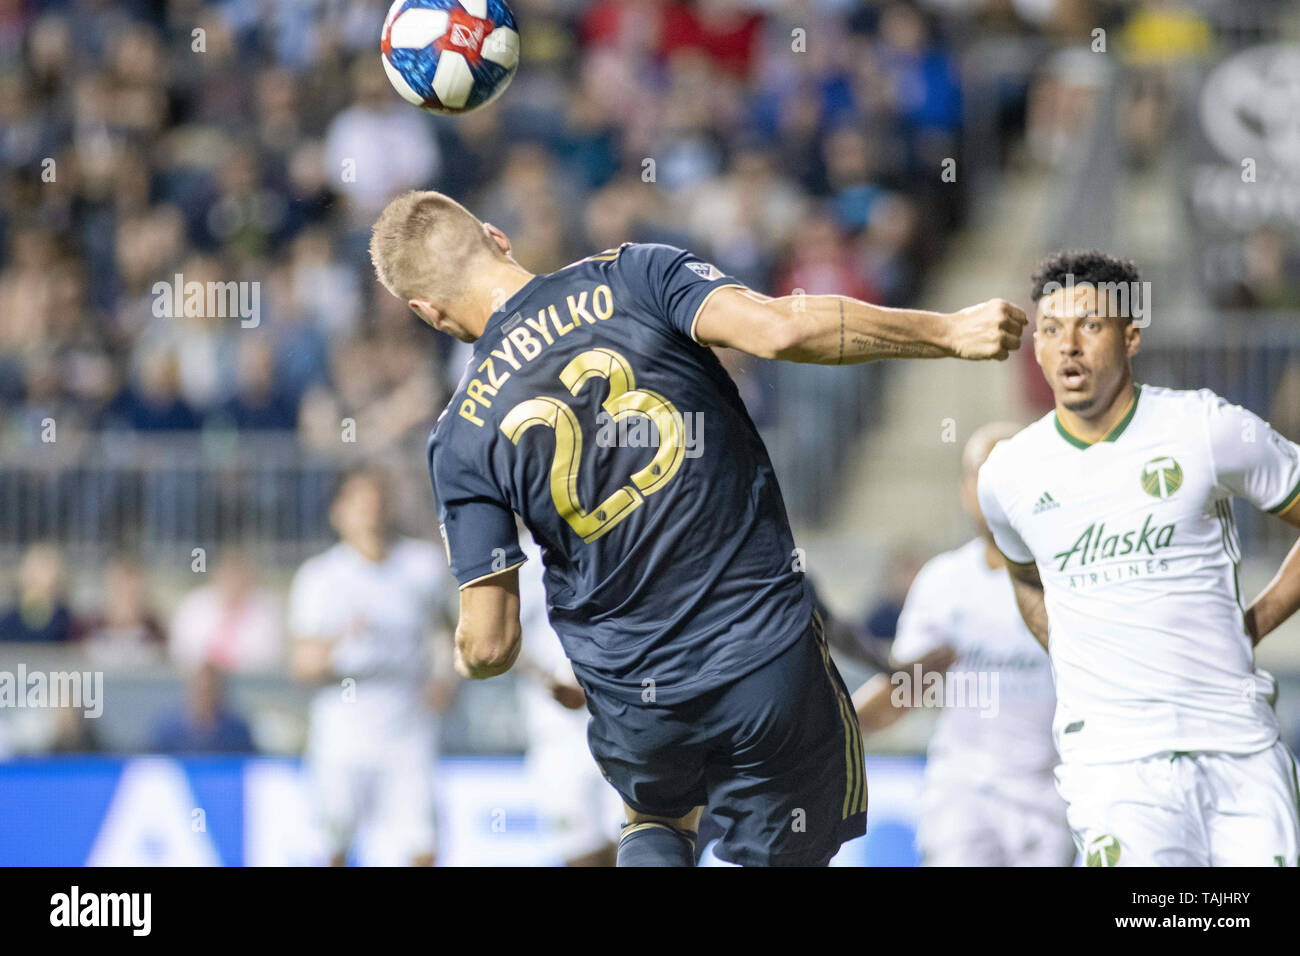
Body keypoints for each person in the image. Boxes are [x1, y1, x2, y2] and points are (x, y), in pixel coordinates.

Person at [369, 189, 1025, 867]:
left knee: (656, 815)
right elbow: (782, 330)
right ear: (497, 236)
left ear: (427, 311)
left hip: (637, 695)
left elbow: (492, 642)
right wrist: (948, 332)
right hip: (764, 656)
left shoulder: (459, 439)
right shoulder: (634, 275)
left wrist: (465, 652)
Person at [978, 250, 1300, 867]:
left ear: (1131, 337)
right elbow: (1026, 580)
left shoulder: (1205, 428)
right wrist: (1075, 644)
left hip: (1239, 746)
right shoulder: (1008, 476)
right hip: (1112, 764)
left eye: (1089, 326)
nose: (1067, 345)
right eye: (1050, 330)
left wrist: (1255, 622)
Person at [853, 422, 1074, 867]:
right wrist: (834, 728)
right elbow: (903, 691)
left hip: (1052, 798)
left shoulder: (1070, 580)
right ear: (964, 489)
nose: (994, 488)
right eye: (982, 474)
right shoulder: (943, 581)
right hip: (963, 794)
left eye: (1009, 472)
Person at [288, 468, 455, 867]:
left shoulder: (423, 565)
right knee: (331, 844)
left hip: (407, 722)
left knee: (422, 844)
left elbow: (452, 629)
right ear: (338, 513)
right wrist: (339, 644)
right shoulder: (320, 577)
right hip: (344, 725)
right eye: (359, 502)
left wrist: (447, 680)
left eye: (378, 500)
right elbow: (301, 664)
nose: (371, 511)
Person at [516, 530, 622, 867]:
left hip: (622, 725)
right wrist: (552, 682)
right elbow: (500, 639)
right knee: (581, 850)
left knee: (636, 842)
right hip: (556, 733)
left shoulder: (618, 537)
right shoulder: (514, 558)